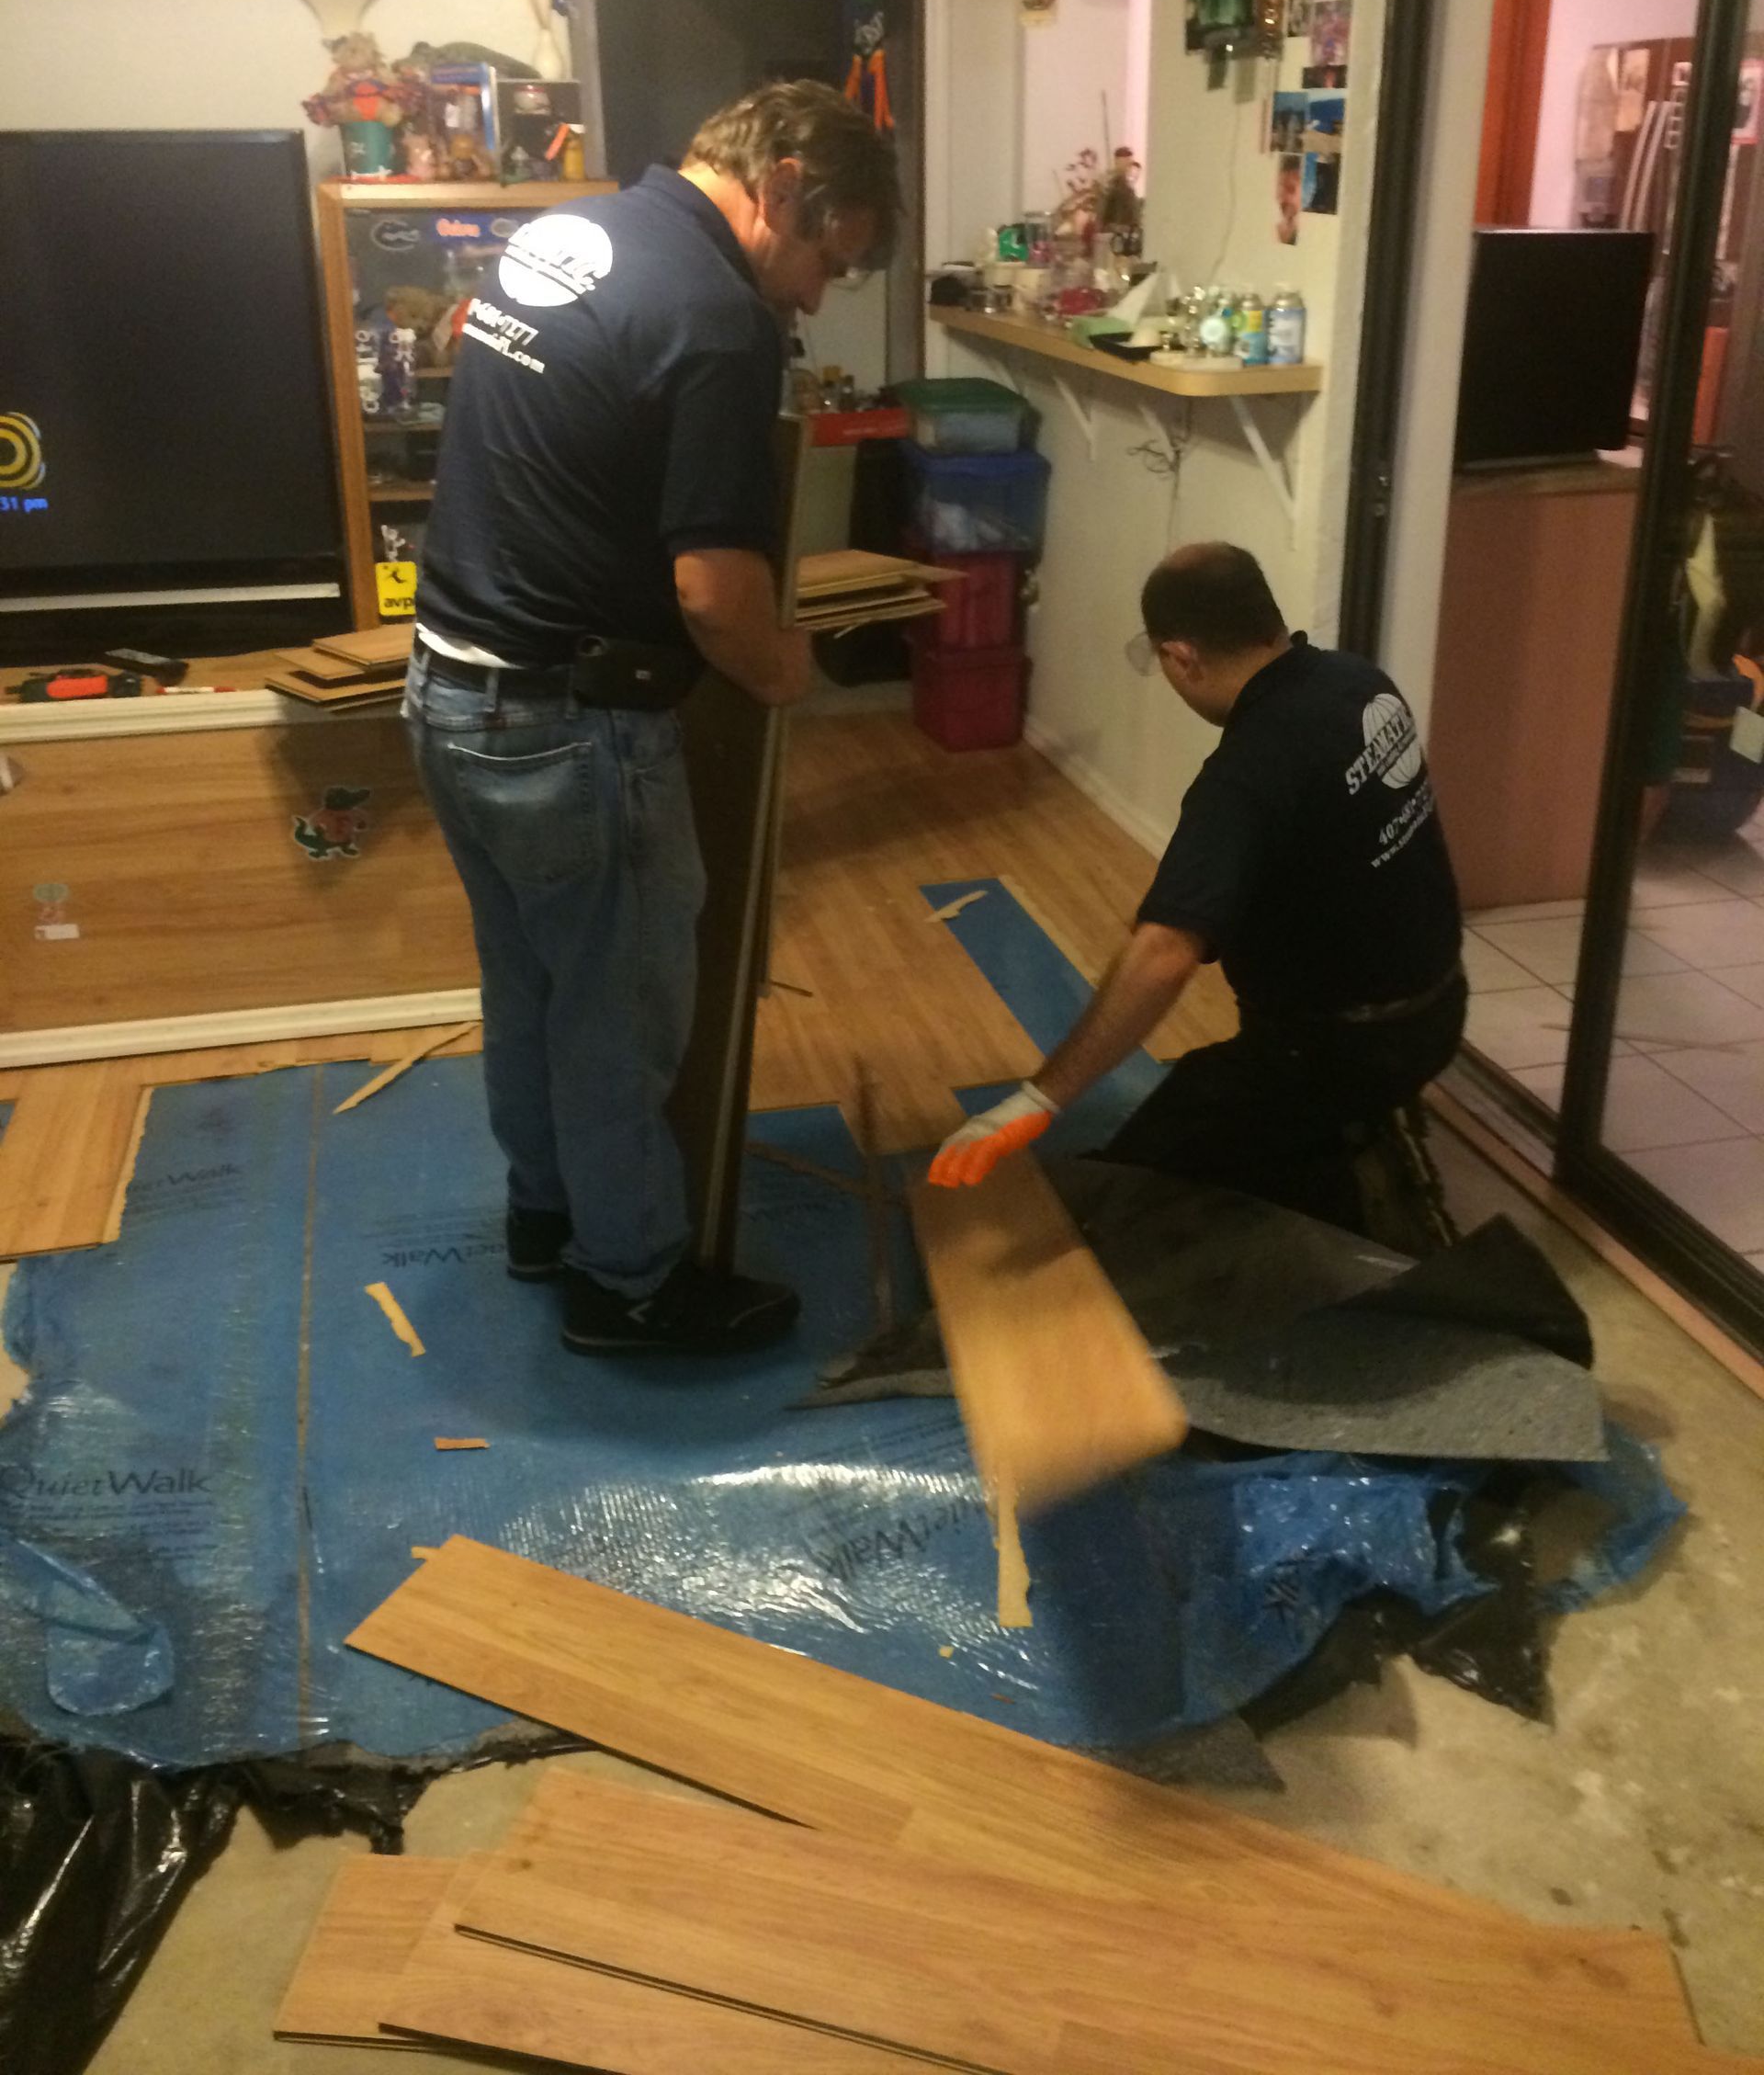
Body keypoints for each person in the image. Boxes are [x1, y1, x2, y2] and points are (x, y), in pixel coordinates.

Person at [405, 81, 898, 1357]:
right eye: (823, 259)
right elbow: (715, 593)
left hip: (451, 689)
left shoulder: (569, 234)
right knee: (619, 1015)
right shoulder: (714, 319)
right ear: (782, 187)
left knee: (529, 985)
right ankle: (629, 1284)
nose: (811, 297)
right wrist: (790, 668)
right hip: (568, 728)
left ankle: (544, 1218)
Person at [930, 543, 1465, 1243]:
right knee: (1235, 1135)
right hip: (1441, 1007)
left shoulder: (1243, 778)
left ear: (1182, 657)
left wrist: (1040, 1096)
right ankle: (1345, 1138)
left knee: (1134, 1195)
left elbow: (1164, 955)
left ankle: (1360, 1165)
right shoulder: (1361, 684)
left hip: (1336, 1052)